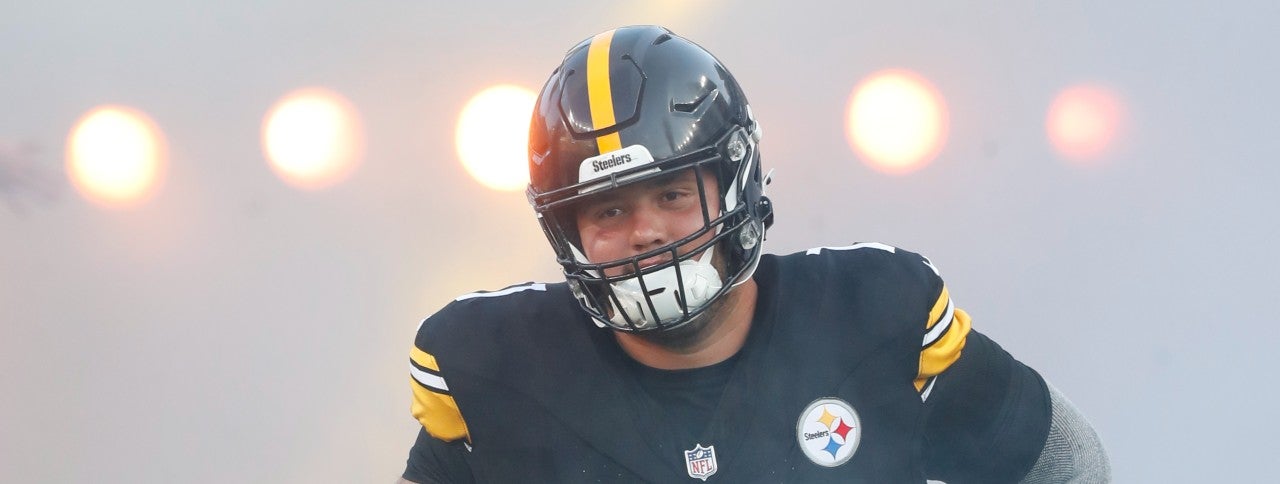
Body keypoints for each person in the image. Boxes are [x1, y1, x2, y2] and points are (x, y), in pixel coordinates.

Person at [399, 25, 1110, 483]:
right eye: (610, 210)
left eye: (673, 193)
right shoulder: (497, 369)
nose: (645, 231)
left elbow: (1071, 471)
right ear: (566, 230)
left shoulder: (875, 316)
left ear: (735, 181)